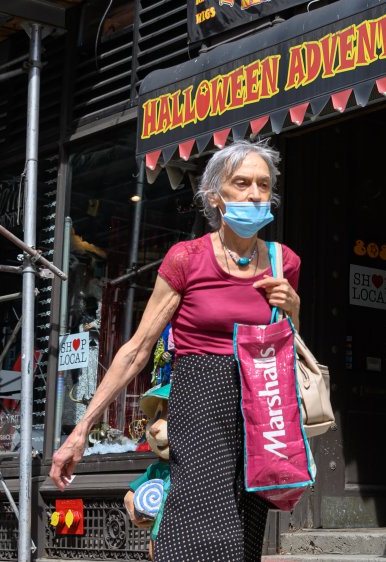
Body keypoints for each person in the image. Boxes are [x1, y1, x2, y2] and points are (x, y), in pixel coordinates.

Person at [49, 139, 301, 561]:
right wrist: (80, 432)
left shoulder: (283, 261)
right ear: (215, 195)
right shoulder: (187, 258)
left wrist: (293, 310)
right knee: (198, 532)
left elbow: (286, 345)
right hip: (201, 399)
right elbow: (137, 349)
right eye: (242, 183)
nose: (255, 194)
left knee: (244, 537)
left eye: (263, 184)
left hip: (261, 408)